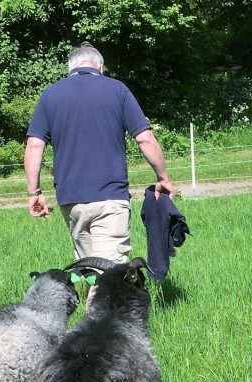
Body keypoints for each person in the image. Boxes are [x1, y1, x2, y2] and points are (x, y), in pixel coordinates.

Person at [24, 42, 173, 300]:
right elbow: (145, 139)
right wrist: (162, 178)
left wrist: (34, 192)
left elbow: (34, 144)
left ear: (71, 67)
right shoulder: (117, 89)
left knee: (93, 272)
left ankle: (86, 332)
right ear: (100, 66)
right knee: (107, 283)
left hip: (71, 202)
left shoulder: (51, 94)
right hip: (110, 199)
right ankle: (95, 335)